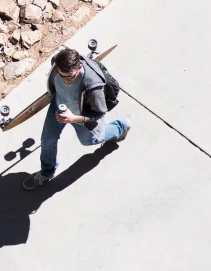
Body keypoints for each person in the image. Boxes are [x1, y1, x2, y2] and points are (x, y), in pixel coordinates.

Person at [22, 47, 131, 190]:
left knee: (90, 141)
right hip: (59, 105)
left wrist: (73, 118)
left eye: (70, 77)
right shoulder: (58, 63)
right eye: (61, 76)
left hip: (80, 115)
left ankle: (121, 127)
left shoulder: (93, 87)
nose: (66, 81)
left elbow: (99, 113)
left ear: (79, 67)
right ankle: (47, 171)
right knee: (47, 139)